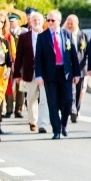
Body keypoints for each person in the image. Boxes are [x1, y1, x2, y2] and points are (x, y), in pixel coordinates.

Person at [34, 10, 80, 140]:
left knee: (68, 101)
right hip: (50, 74)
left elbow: (73, 56)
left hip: (65, 72)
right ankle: (56, 130)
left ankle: (64, 124)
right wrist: (39, 75)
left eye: (52, 20)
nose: (49, 23)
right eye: (47, 20)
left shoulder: (67, 34)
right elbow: (38, 58)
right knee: (52, 102)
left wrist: (76, 73)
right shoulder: (42, 37)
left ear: (59, 21)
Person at [13, 12, 50, 133]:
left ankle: (42, 123)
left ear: (42, 21)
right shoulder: (24, 37)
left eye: (39, 20)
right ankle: (33, 121)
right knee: (31, 98)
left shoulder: (47, 35)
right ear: (30, 22)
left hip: (45, 72)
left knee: (44, 98)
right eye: (34, 20)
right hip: (30, 72)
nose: (36, 22)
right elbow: (19, 56)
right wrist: (17, 74)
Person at [63, 14, 89, 123]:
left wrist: (90, 68)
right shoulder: (64, 36)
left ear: (76, 23)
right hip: (69, 68)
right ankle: (72, 110)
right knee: (71, 90)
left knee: (79, 91)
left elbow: (88, 53)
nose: (69, 25)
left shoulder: (83, 36)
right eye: (67, 23)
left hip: (81, 68)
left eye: (71, 23)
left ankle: (76, 110)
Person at [4, 13, 25, 118]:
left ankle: (19, 109)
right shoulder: (6, 33)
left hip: (20, 62)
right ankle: (9, 109)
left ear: (17, 21)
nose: (11, 23)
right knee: (9, 86)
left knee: (20, 87)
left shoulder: (23, 32)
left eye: (13, 21)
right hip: (8, 62)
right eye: (10, 21)